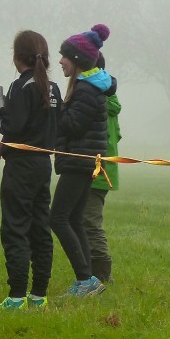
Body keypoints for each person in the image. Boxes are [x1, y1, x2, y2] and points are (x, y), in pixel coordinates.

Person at [0, 31, 61, 311]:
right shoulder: (52, 87)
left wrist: (1, 111)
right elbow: (54, 125)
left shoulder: (21, 86)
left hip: (20, 167)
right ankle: (39, 296)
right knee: (40, 228)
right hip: (44, 165)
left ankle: (16, 297)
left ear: (17, 57)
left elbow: (13, 127)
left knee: (15, 229)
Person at [51, 24, 112, 297]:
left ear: (76, 60)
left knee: (58, 218)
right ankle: (87, 281)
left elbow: (72, 126)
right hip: (82, 162)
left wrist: (54, 106)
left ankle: (85, 280)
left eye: (64, 56)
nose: (60, 61)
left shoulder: (85, 91)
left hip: (79, 162)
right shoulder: (85, 88)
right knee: (74, 219)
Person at [83, 52, 121, 283]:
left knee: (90, 222)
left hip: (97, 172)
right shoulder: (109, 103)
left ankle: (102, 275)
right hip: (102, 171)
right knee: (84, 221)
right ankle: (90, 270)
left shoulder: (97, 104)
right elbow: (118, 135)